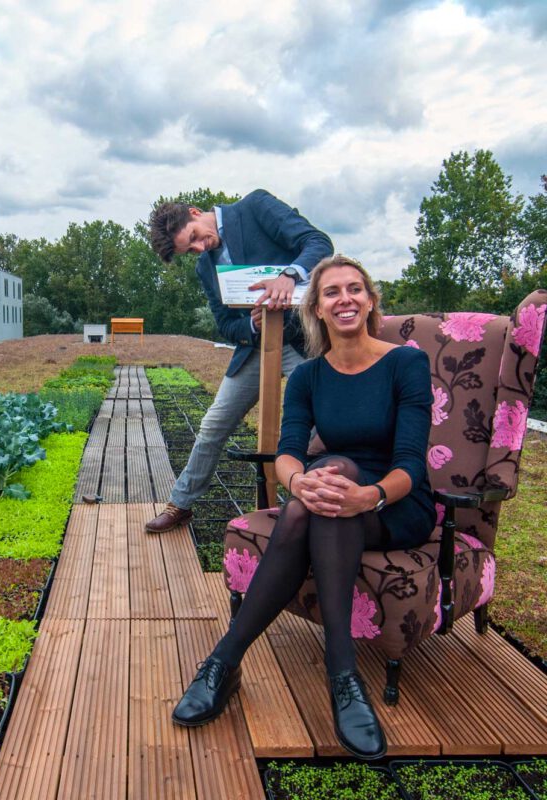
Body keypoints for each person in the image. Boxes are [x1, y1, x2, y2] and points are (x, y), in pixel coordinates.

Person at [170, 255, 436, 761]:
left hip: (395, 502)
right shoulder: (311, 374)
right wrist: (298, 483)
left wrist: (369, 495)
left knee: (330, 483)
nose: (345, 299)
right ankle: (342, 677)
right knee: (321, 487)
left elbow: (411, 463)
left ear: (371, 300)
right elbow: (288, 450)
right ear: (315, 307)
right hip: (331, 496)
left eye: (355, 289)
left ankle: (225, 662)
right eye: (332, 292)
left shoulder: (406, 363)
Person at [145, 189, 333, 533]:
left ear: (195, 211)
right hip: (256, 348)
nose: (200, 249)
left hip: (299, 341)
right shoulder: (206, 267)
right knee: (213, 425)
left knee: (325, 424)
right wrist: (250, 325)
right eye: (191, 250)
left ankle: (316, 509)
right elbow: (225, 324)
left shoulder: (255, 207)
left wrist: (288, 277)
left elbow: (318, 242)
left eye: (195, 238)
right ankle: (181, 503)